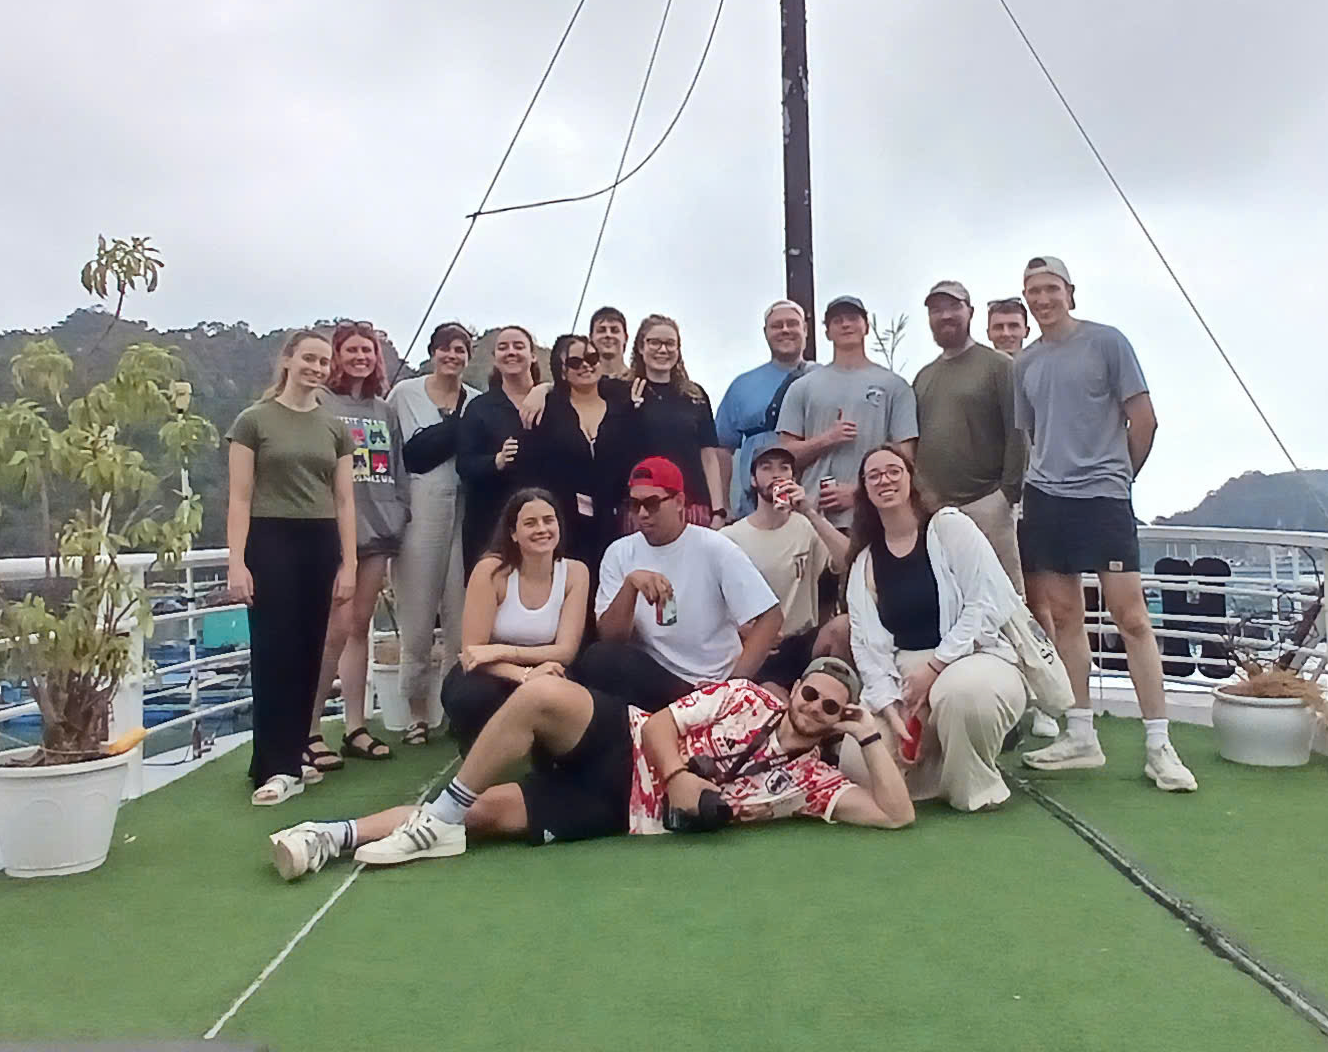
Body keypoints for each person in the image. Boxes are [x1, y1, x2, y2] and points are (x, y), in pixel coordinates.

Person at [268, 655, 910, 876]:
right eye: (810, 694)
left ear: (838, 717)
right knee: (544, 695)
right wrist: (683, 776)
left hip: (618, 814)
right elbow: (662, 721)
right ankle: (441, 813)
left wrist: (871, 734)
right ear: (794, 688)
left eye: (832, 708)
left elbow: (894, 815)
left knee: (491, 819)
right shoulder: (745, 697)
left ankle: (332, 835)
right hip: (623, 745)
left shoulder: (814, 782)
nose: (815, 708)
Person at [1012, 256, 1196, 792]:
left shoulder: (1108, 342)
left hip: (1104, 498)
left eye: (1050, 289)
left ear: (1071, 291)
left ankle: (1160, 745)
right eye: (1032, 291)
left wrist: (1121, 477)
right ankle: (1080, 734)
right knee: (1065, 616)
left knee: (1131, 617)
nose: (1042, 299)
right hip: (1045, 498)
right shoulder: (1023, 365)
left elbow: (1145, 419)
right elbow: (1031, 435)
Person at [844, 445, 1031, 811]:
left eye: (893, 471)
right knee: (857, 762)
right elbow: (866, 647)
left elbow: (983, 604)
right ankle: (939, 761)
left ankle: (975, 786)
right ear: (864, 490)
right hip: (904, 671)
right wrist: (891, 708)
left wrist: (935, 668)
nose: (885, 480)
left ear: (910, 478)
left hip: (974, 656)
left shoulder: (950, 527)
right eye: (874, 475)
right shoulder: (864, 562)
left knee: (961, 696)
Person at [226, 329, 358, 807]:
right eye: (309, 358)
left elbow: (345, 500)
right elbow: (239, 497)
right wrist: (236, 562)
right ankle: (277, 765)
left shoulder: (333, 426)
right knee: (272, 650)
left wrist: (350, 563)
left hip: (320, 541)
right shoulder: (253, 421)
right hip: (271, 538)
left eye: (325, 362)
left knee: (309, 653)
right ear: (287, 360)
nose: (317, 368)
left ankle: (290, 752)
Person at [574, 457, 783, 712]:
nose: (641, 514)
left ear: (679, 502)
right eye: (634, 504)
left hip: (711, 678)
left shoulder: (715, 547)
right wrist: (630, 587)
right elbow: (610, 637)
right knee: (598, 659)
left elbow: (771, 616)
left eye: (651, 504)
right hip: (657, 675)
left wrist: (733, 685)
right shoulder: (620, 552)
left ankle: (704, 705)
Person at [317, 323, 410, 765]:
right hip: (332, 535)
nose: (361, 357)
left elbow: (397, 465)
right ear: (337, 356)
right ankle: (309, 728)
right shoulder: (320, 403)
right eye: (351, 350)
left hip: (378, 531)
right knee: (330, 631)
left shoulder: (383, 409)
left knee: (360, 628)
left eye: (368, 350)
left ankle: (355, 725)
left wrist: (399, 511)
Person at [438, 489, 591, 752]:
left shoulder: (576, 572)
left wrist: (501, 650)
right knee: (472, 697)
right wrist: (524, 674)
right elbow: (472, 654)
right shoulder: (491, 571)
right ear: (513, 533)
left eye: (548, 520)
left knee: (570, 693)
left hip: (546, 667)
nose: (541, 529)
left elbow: (565, 651)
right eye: (530, 523)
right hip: (490, 672)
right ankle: (474, 754)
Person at [388, 321, 480, 745]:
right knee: (418, 621)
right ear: (432, 352)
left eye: (460, 349)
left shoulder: (476, 402)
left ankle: (451, 709)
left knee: (461, 621)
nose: (452, 356)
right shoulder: (404, 394)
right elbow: (400, 454)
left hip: (462, 511)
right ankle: (416, 714)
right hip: (418, 512)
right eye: (445, 348)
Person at [912, 280, 1026, 593]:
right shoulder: (923, 377)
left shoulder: (999, 365)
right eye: (936, 309)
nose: (945, 315)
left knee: (1007, 605)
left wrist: (1007, 496)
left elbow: (1019, 432)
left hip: (989, 505)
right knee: (950, 601)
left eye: (953, 306)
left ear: (970, 312)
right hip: (937, 514)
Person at [775, 295, 918, 532]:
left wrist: (858, 492)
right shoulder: (802, 387)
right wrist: (828, 439)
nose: (846, 325)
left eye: (853, 318)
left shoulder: (895, 386)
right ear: (827, 332)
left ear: (867, 327)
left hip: (875, 516)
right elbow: (785, 456)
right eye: (837, 321)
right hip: (812, 517)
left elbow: (905, 456)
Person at [721, 446, 851, 691]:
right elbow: (710, 603)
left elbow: (849, 561)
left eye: (784, 467)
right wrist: (741, 630)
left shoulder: (806, 526)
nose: (776, 474)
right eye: (766, 467)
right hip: (758, 648)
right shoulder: (729, 538)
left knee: (843, 628)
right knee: (777, 699)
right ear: (752, 478)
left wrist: (810, 512)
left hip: (803, 640)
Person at [519, 334, 628, 575]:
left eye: (591, 357)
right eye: (575, 362)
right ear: (563, 371)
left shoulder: (622, 406)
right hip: (563, 522)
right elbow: (531, 469)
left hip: (614, 520)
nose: (586, 365)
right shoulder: (546, 410)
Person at [618, 314, 723, 525]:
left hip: (692, 506)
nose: (663, 350)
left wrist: (718, 510)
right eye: (654, 342)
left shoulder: (695, 395)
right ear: (640, 347)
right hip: (641, 508)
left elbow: (709, 456)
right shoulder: (621, 391)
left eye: (669, 343)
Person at [713, 300, 811, 520]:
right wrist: (723, 506)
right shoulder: (742, 385)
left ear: (805, 329)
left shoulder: (824, 378)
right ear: (765, 333)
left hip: (817, 506)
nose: (785, 330)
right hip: (755, 509)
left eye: (792, 324)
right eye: (777, 326)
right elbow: (721, 449)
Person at [456, 326, 544, 568]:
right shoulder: (479, 408)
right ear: (495, 359)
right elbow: (464, 465)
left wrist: (546, 389)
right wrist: (497, 461)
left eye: (518, 346)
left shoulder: (552, 402)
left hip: (544, 524)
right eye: (503, 348)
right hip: (490, 523)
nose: (511, 352)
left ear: (533, 355)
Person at [587, 306, 631, 382]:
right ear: (591, 337)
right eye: (601, 330)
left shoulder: (638, 381)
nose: (608, 335)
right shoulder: (583, 383)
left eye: (615, 330)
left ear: (625, 337)